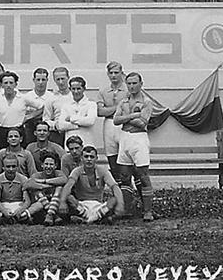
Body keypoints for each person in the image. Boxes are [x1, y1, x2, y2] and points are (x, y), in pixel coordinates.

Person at [113, 72, 155, 221]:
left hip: (139, 139)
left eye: (134, 83)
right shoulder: (123, 101)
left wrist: (126, 118)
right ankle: (127, 209)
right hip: (125, 138)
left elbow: (143, 122)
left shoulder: (147, 101)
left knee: (143, 175)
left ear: (141, 84)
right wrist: (132, 116)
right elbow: (115, 120)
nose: (131, 86)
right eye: (129, 83)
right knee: (124, 176)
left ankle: (148, 211)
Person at [59, 145, 122, 224]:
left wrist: (120, 204)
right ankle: (96, 218)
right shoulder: (77, 171)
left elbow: (114, 187)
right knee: (69, 197)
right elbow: (68, 186)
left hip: (99, 206)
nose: (89, 159)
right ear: (82, 158)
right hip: (81, 205)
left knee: (114, 199)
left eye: (91, 157)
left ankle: (88, 219)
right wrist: (62, 202)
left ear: (96, 158)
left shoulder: (103, 171)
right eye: (86, 157)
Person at [51, 76, 99, 150]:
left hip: (86, 144)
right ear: (70, 89)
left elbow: (90, 121)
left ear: (84, 89)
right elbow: (61, 125)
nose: (76, 91)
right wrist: (78, 125)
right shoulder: (66, 106)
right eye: (73, 89)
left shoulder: (91, 104)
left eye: (78, 88)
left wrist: (71, 118)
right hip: (70, 146)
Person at [97, 61, 129, 170]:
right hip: (109, 123)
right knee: (111, 152)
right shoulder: (104, 91)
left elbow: (130, 110)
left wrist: (109, 109)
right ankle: (116, 180)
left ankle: (129, 182)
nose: (113, 75)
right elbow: (100, 112)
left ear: (121, 73)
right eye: (111, 73)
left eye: (116, 72)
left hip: (124, 123)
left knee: (125, 152)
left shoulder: (128, 90)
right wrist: (119, 107)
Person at [24, 152, 68, 225]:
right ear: (42, 165)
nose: (48, 166)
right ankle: (52, 215)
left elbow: (64, 179)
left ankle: (49, 215)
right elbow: (29, 184)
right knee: (36, 191)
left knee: (59, 188)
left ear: (55, 166)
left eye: (51, 164)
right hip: (42, 200)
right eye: (46, 164)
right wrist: (45, 186)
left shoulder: (58, 173)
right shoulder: (37, 175)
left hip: (55, 200)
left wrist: (44, 181)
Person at [0, 154, 31, 224]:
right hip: (3, 205)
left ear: (17, 167)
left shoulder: (23, 179)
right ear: (3, 167)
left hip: (18, 205)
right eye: (8, 167)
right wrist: (4, 211)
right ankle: (18, 219)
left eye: (13, 166)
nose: (11, 169)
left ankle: (6, 219)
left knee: (38, 205)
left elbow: (27, 201)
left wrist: (19, 211)